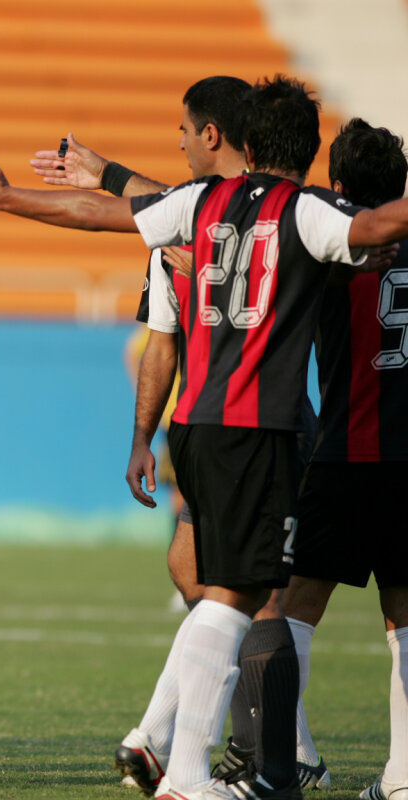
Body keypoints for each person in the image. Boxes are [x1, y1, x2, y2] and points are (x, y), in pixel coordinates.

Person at [0, 75, 408, 800]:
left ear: (241, 141)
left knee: (232, 592)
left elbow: (106, 214)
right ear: (309, 152)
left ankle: (180, 749)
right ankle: (200, 768)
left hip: (197, 424)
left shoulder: (202, 204)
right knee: (238, 597)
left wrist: (4, 199)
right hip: (261, 430)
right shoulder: (310, 211)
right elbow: (373, 230)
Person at [30, 77, 316, 798]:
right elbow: (169, 215)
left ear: (220, 136)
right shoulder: (200, 213)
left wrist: (28, 194)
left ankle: (253, 755)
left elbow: (168, 209)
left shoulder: (268, 211)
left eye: (186, 131)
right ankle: (193, 747)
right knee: (208, 580)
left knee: (251, 596)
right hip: (216, 425)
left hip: (259, 422)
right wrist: (106, 174)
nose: (180, 142)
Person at [277, 119, 408, 800]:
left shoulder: (329, 247)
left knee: (293, 607)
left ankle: (293, 755)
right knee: (405, 616)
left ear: (338, 186)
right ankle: (404, 777)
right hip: (407, 461)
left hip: (343, 453)